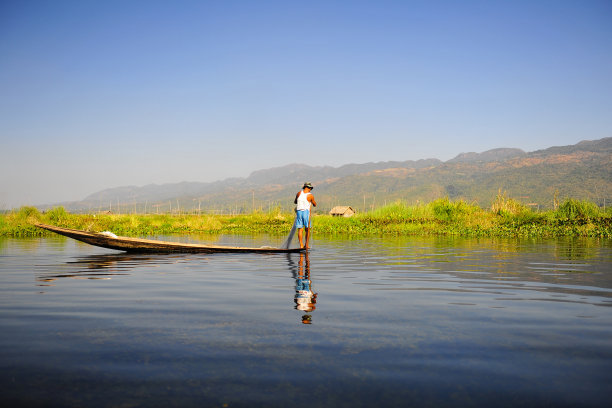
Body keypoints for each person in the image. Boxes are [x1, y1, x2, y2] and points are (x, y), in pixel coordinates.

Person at [294, 182, 317, 249]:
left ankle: (301, 245)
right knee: (307, 229)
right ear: (308, 188)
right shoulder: (310, 195)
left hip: (299, 212)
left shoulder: (299, 193)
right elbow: (314, 204)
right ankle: (306, 245)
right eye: (310, 188)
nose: (310, 190)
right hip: (306, 212)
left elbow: (295, 202)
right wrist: (313, 202)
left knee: (300, 229)